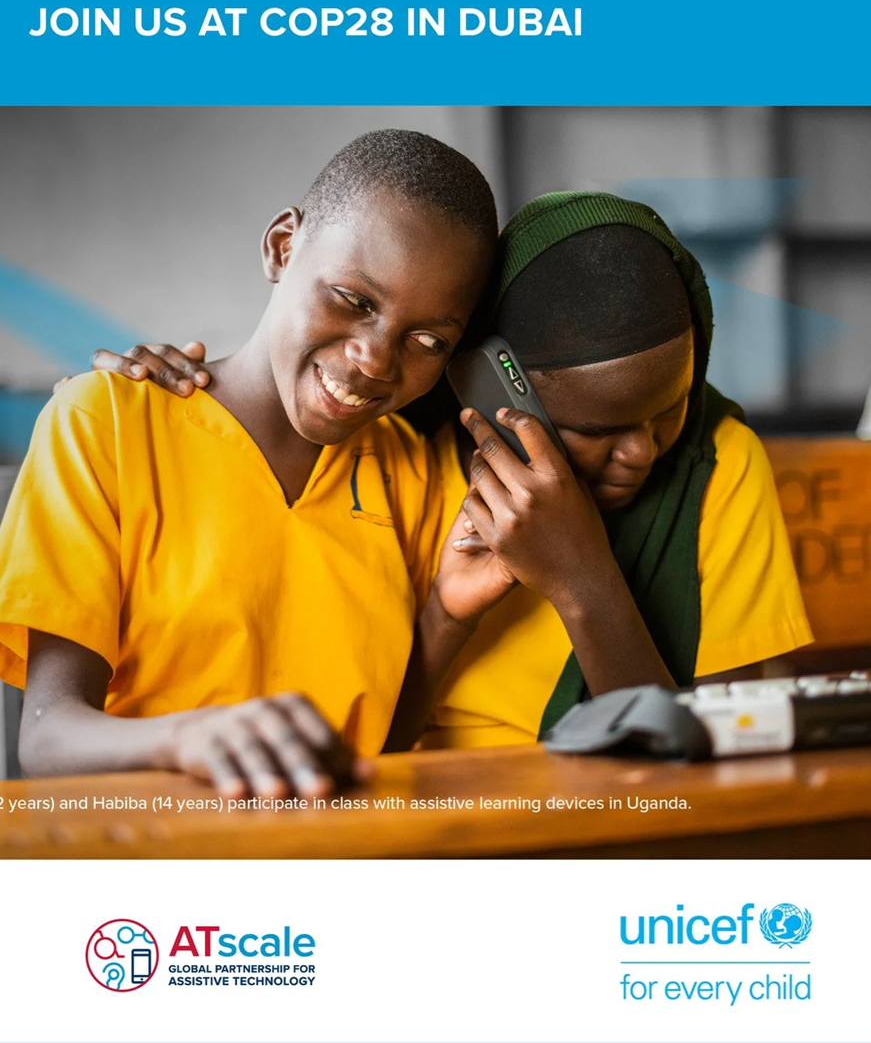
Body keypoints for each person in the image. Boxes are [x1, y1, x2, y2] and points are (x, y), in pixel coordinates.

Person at [105, 193, 813, 751]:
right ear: (491, 387)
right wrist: (157, 386)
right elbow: (374, 727)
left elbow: (716, 747)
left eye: (666, 412)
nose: (640, 452)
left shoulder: (712, 461)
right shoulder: (390, 452)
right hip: (410, 813)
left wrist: (580, 577)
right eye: (595, 431)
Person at [0, 128, 507, 794]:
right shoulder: (109, 423)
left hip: (323, 866)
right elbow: (46, 736)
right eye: (353, 301)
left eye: (426, 339)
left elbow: (381, 746)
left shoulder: (412, 475)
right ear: (282, 247)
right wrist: (190, 736)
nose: (374, 360)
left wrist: (447, 616)